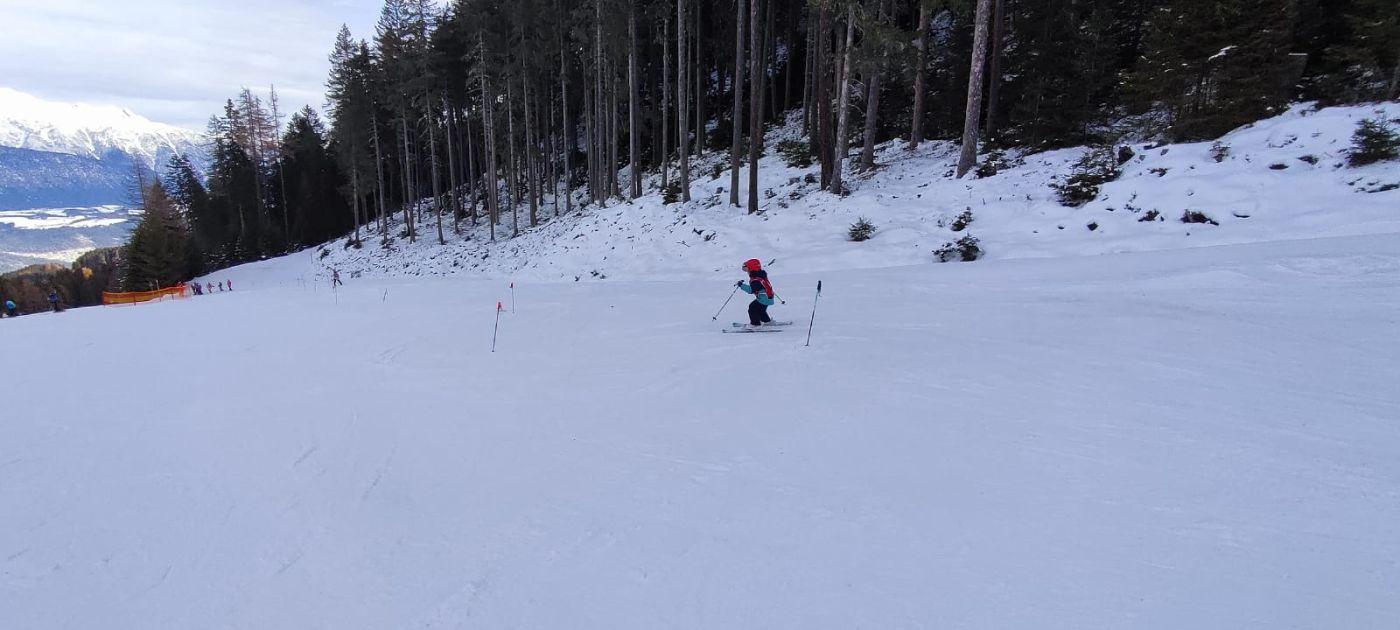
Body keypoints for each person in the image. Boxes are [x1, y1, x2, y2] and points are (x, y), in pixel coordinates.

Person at [736, 258, 777, 328]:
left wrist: (741, 285)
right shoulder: (760, 275)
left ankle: (755, 324)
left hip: (764, 298)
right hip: (768, 297)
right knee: (760, 310)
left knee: (752, 308)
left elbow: (751, 290)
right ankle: (766, 321)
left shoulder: (756, 280)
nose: (746, 271)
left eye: (746, 268)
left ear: (751, 268)